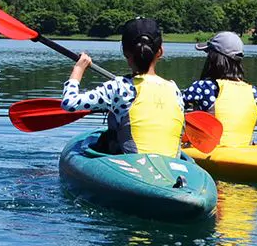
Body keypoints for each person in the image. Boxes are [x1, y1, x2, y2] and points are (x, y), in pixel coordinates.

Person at [61, 17, 185, 155]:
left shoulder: (119, 87)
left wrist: (79, 69)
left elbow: (69, 103)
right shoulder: (174, 90)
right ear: (160, 51)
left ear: (125, 52)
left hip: (133, 164)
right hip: (171, 165)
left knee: (111, 127)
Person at [182, 31, 257, 148]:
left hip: (209, 153)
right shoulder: (252, 92)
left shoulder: (201, 87)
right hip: (242, 153)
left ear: (213, 59)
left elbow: (174, 110)